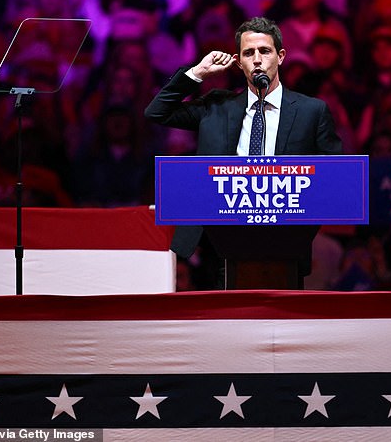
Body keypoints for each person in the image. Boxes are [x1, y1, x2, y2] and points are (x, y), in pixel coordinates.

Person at [144, 16, 342, 286]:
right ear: (239, 62)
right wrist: (197, 73)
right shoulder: (217, 106)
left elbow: (335, 176)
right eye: (249, 53)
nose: (257, 59)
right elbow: (157, 112)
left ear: (281, 56)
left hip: (285, 242)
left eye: (265, 51)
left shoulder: (311, 111)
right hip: (218, 241)